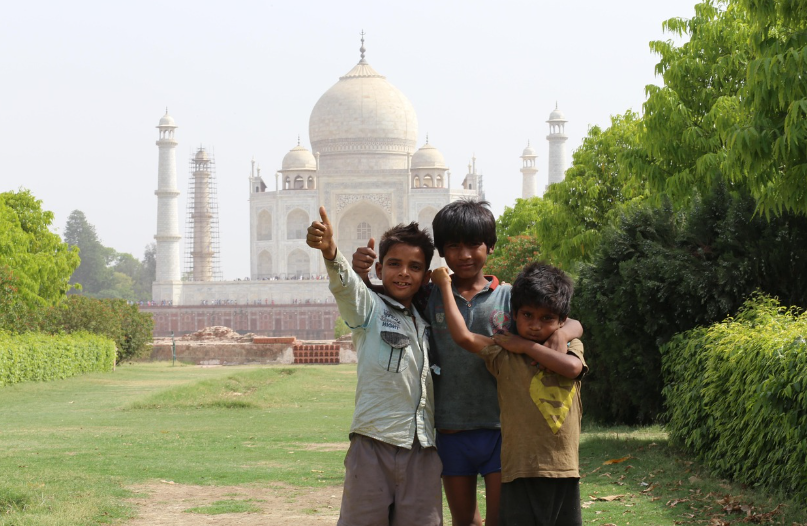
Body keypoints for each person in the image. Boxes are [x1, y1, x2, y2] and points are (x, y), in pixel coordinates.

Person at [352, 199, 581, 526]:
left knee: (499, 520)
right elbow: (382, 300)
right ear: (442, 252)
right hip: (450, 426)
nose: (464, 255)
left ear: (490, 246)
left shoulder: (509, 297)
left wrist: (566, 331)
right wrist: (360, 274)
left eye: (474, 245)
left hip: (503, 429)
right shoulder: (428, 296)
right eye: (453, 246)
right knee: (464, 521)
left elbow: (560, 319)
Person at [306, 206, 443, 526]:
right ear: (379, 269)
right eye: (394, 264)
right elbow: (348, 288)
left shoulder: (429, 322)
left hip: (422, 449)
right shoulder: (371, 311)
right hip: (373, 445)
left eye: (415, 267)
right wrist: (330, 250)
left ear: (424, 276)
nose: (404, 273)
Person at [432, 261, 587, 526]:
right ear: (514, 314)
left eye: (546, 318)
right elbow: (464, 337)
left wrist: (527, 346)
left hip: (563, 470)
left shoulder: (569, 345)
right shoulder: (503, 353)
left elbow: (573, 368)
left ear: (561, 321)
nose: (535, 325)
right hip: (518, 470)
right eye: (527, 315)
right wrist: (446, 286)